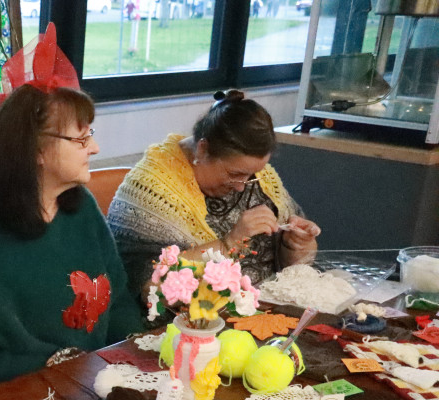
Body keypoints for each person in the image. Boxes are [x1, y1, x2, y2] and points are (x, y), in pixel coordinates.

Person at [0, 24, 144, 384]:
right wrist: (75, 370)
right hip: (29, 391)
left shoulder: (79, 205)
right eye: (80, 139)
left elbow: (117, 300)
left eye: (90, 135)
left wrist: (138, 353)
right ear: (37, 150)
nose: (94, 149)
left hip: (99, 377)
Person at [108, 89, 320, 303]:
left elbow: (290, 268)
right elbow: (151, 289)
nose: (241, 187)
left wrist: (295, 247)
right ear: (202, 150)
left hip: (265, 309)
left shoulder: (255, 177)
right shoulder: (152, 190)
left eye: (252, 175)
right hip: (192, 324)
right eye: (234, 175)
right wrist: (229, 244)